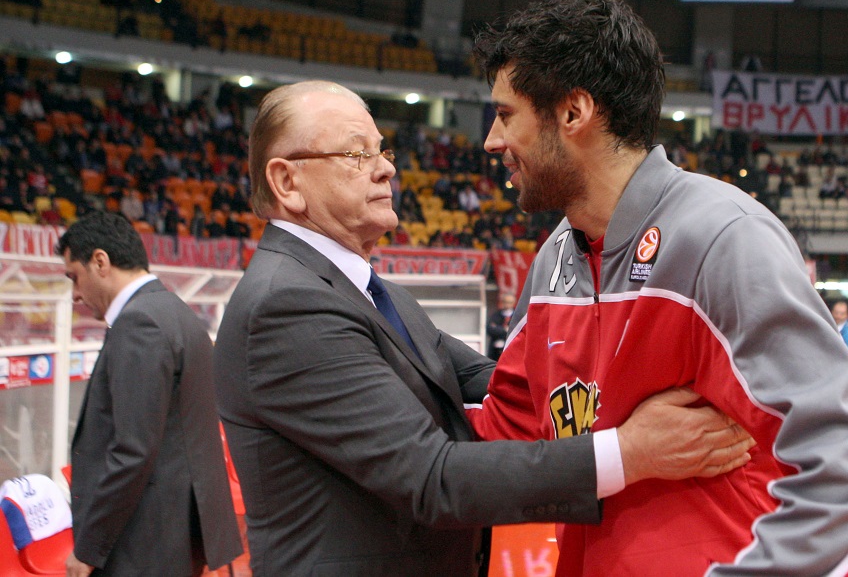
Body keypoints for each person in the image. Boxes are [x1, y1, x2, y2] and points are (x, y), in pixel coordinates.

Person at [212, 80, 754, 577]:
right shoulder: (286, 307)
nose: (385, 170)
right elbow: (433, 478)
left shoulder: (370, 292)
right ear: (287, 182)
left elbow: (501, 381)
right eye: (357, 154)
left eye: (382, 151)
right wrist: (630, 451)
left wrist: (625, 389)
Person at [470, 0, 848, 576]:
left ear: (573, 113)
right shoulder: (554, 260)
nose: (492, 141)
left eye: (505, 115)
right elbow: (507, 436)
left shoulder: (723, 238)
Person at [57, 212, 241, 577]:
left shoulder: (139, 322)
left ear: (100, 262)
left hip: (144, 542)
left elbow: (133, 450)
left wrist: (89, 547)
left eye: (74, 277)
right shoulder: (177, 312)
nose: (75, 294)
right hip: (174, 534)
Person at [486, 292, 516, 360]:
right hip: (495, 351)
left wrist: (499, 329)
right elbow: (490, 329)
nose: (507, 304)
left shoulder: (516, 316)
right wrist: (504, 330)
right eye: (505, 302)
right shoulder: (496, 315)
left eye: (510, 302)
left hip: (510, 349)